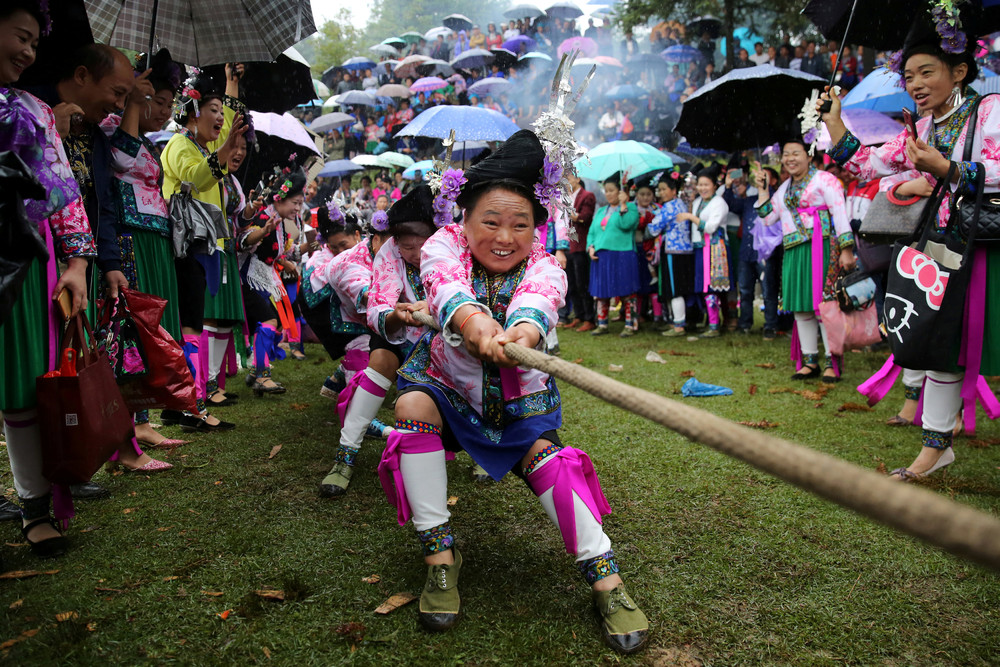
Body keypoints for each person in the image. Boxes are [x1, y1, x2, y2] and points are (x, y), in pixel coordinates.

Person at [378, 131, 649, 652]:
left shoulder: (547, 262)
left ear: (536, 227)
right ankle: (440, 559)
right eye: (491, 221)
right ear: (464, 220)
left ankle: (607, 581)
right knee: (411, 406)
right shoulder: (440, 245)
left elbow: (540, 302)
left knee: (549, 462)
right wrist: (476, 326)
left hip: (519, 399)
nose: (505, 236)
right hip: (447, 387)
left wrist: (521, 334)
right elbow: (447, 286)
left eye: (520, 224)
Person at [820, 9, 997, 480]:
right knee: (941, 348)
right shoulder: (923, 128)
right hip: (946, 253)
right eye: (909, 75)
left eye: (927, 72)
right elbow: (864, 164)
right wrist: (835, 125)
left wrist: (948, 169)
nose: (915, 84)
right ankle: (936, 448)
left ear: (959, 71)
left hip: (990, 253)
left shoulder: (989, 110)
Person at [0, 0, 97, 556]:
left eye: (35, 41)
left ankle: (34, 507)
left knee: (21, 389)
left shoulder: (33, 110)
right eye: (20, 36)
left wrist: (78, 262)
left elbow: (64, 193)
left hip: (22, 261)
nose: (28, 51)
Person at [323, 186, 438, 497]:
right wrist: (396, 316)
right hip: (399, 329)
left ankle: (483, 448)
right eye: (407, 246)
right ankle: (345, 454)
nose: (415, 254)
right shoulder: (389, 254)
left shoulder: (451, 246)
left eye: (422, 244)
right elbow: (377, 307)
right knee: (380, 363)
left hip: (445, 335)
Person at [102, 49, 189, 454]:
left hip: (153, 240)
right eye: (159, 100)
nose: (165, 110)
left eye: (170, 104)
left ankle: (142, 421)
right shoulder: (110, 125)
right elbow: (120, 157)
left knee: (152, 334)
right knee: (133, 333)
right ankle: (125, 433)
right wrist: (134, 104)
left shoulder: (153, 144)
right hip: (130, 240)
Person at [160, 71, 247, 430]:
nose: (219, 117)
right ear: (193, 112)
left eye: (220, 110)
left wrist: (232, 81)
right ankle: (192, 403)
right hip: (186, 245)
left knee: (192, 322)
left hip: (205, 243)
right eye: (212, 109)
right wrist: (221, 152)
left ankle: (178, 403)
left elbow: (228, 126)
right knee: (190, 324)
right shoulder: (179, 145)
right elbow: (194, 177)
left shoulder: (204, 146)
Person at [755, 140, 854, 380]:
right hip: (794, 251)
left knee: (825, 307)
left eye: (795, 153)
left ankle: (833, 361)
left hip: (822, 247)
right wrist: (762, 189)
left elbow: (840, 213)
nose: (790, 158)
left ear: (808, 156)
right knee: (801, 306)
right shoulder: (784, 188)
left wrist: (846, 248)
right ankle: (810, 361)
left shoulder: (825, 180)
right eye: (786, 155)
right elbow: (768, 218)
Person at [237, 167, 307, 396]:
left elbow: (285, 253)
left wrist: (314, 244)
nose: (297, 208)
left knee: (274, 322)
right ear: (280, 198)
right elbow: (244, 240)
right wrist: (264, 231)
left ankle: (258, 370)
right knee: (269, 320)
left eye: (300, 203)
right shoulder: (264, 217)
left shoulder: (279, 221)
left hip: (263, 278)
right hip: (249, 277)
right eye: (295, 202)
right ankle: (261, 374)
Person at [587, 177, 641, 337]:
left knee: (627, 290)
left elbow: (628, 225)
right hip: (601, 255)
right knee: (601, 290)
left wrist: (624, 205)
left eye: (612, 190)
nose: (608, 193)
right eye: (606, 190)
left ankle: (630, 324)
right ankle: (602, 323)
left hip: (622, 253)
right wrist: (591, 247)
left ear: (620, 191)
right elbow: (592, 232)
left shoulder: (630, 208)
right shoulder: (601, 211)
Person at [681, 165, 730, 338]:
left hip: (715, 249)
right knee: (703, 285)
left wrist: (690, 217)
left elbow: (709, 227)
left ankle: (715, 325)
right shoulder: (697, 202)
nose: (702, 188)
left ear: (715, 185)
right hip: (700, 248)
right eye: (700, 185)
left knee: (712, 286)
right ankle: (711, 322)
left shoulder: (720, 203)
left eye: (706, 185)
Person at [647, 172, 693, 336]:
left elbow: (653, 229)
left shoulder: (669, 207)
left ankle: (678, 325)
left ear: (673, 190)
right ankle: (680, 321)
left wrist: (653, 218)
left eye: (664, 189)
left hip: (673, 251)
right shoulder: (681, 203)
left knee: (674, 289)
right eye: (659, 190)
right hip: (686, 250)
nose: (661, 193)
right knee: (680, 287)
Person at [563, 174, 596, 331]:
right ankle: (579, 315)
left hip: (581, 245)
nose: (566, 181)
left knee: (583, 283)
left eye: (569, 178)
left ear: (577, 179)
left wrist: (569, 213)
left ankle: (590, 318)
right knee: (572, 284)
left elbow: (585, 218)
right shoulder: (566, 196)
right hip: (568, 244)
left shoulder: (587, 196)